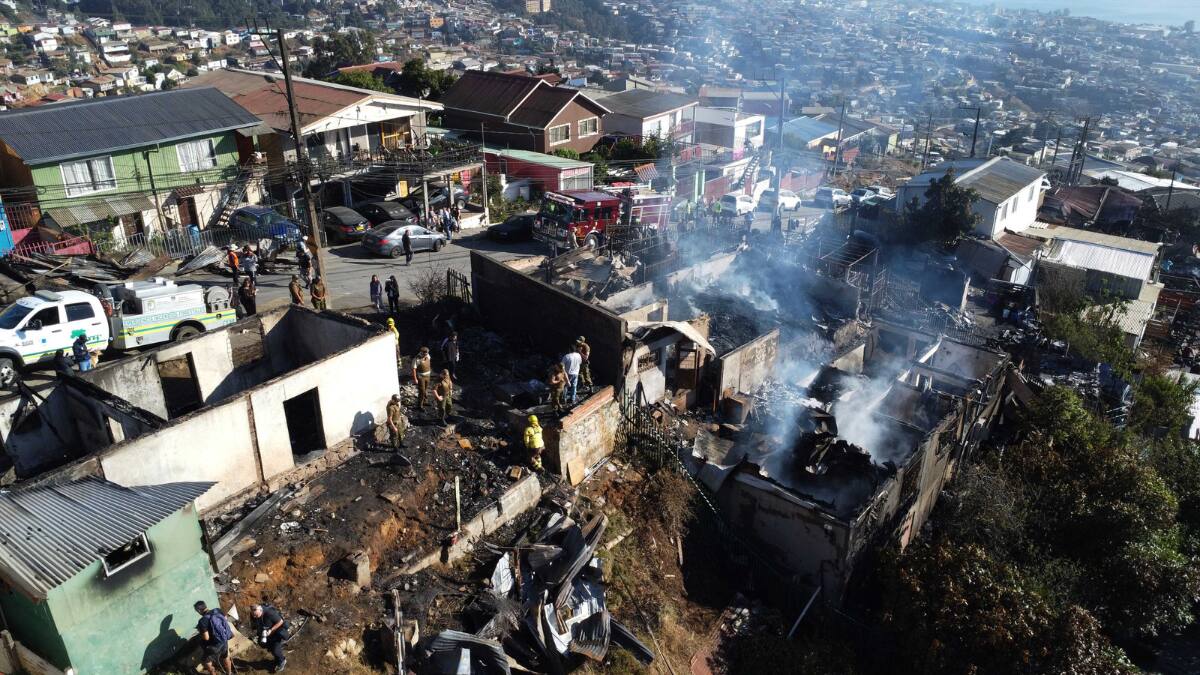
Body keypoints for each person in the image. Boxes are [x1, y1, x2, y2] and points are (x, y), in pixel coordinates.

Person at [194, 600, 234, 675]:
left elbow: (206, 638)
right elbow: (224, 619)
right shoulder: (217, 610)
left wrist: (201, 631)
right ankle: (229, 673)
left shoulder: (202, 621)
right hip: (224, 640)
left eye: (197, 611)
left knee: (206, 661)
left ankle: (213, 673)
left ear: (199, 610)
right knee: (225, 657)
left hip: (214, 646)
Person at [250, 604, 289, 673]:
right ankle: (276, 659)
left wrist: (271, 630)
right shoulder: (253, 614)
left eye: (256, 615)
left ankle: (282, 661)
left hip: (276, 633)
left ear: (261, 610)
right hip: (265, 634)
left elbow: (280, 622)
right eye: (254, 615)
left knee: (276, 651)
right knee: (266, 646)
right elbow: (254, 624)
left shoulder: (270, 613)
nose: (255, 617)